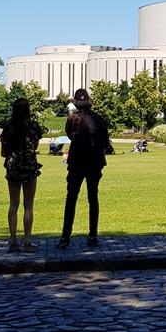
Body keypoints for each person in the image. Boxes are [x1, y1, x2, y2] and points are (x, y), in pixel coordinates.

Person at [58, 90, 112, 249]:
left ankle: (65, 237)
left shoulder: (73, 118)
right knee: (93, 198)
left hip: (77, 161)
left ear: (75, 103)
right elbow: (105, 142)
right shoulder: (98, 119)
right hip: (94, 161)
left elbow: (70, 135)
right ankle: (93, 235)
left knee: (71, 198)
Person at [0, 98, 43, 252]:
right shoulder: (33, 127)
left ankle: (13, 242)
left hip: (13, 167)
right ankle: (27, 241)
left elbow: (3, 152)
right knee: (28, 205)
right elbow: (35, 146)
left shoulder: (8, 128)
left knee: (13, 204)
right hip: (29, 166)